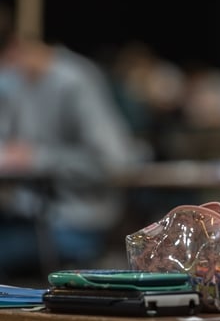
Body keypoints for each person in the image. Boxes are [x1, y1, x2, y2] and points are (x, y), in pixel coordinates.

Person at [0, 17, 136, 278]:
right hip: (26, 217)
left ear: (15, 49)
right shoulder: (16, 84)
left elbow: (114, 162)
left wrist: (38, 158)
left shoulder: (75, 81)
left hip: (76, 221)